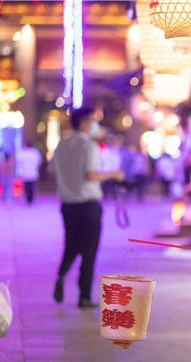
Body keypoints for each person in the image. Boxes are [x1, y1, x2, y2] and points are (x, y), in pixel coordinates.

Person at [49, 107, 123, 308]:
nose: (94, 125)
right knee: (89, 251)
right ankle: (84, 296)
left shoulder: (62, 144)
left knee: (71, 245)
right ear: (83, 123)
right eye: (92, 120)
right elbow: (91, 175)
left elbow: (52, 170)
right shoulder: (89, 146)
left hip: (67, 204)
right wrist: (114, 174)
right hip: (88, 205)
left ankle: (61, 275)